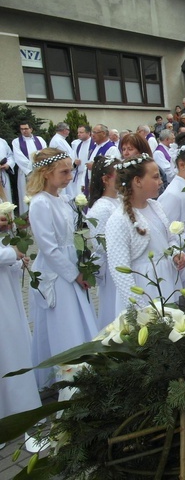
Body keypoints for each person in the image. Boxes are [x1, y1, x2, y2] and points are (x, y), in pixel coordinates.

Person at [28, 148, 98, 387]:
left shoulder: (63, 199)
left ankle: (84, 371)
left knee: (79, 319)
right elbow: (48, 247)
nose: (70, 177)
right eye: (64, 171)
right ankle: (67, 378)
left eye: (71, 171)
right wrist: (74, 273)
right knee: (64, 322)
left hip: (72, 263)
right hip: (58, 272)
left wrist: (83, 259)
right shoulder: (40, 203)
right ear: (46, 173)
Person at [106, 154, 185, 311]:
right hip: (144, 289)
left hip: (167, 281)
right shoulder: (119, 220)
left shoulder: (155, 206)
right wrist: (140, 308)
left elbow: (169, 239)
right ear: (137, 181)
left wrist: (176, 253)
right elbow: (120, 272)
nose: (161, 181)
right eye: (155, 177)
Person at [0, 211, 42, 419]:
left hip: (5, 288)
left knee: (12, 343)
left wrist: (16, 260)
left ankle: (17, 405)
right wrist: (11, 253)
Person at [86, 155, 121, 329]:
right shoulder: (100, 208)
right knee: (114, 312)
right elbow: (102, 244)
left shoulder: (120, 200)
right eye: (119, 175)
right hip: (113, 269)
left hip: (125, 262)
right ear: (106, 180)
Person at [13, 122, 47, 214]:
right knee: (26, 195)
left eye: (26, 128)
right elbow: (18, 157)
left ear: (31, 129)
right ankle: (26, 222)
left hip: (40, 171)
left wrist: (39, 167)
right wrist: (31, 169)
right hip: (25, 172)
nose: (24, 131)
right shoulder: (16, 142)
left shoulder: (40, 140)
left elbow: (45, 153)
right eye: (22, 129)